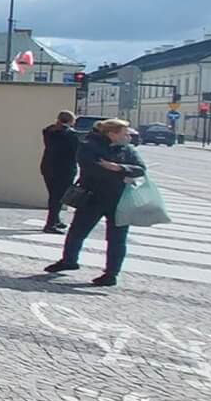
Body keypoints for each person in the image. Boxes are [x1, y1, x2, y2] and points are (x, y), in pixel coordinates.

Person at [46, 118, 146, 286]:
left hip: (120, 200)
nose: (129, 137)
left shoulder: (128, 150)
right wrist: (122, 173)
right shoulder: (90, 145)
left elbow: (141, 169)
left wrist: (119, 168)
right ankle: (69, 260)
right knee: (77, 231)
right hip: (93, 197)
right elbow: (92, 169)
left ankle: (111, 274)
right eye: (125, 133)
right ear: (112, 134)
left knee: (117, 238)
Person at [39, 111, 80, 234]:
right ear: (71, 121)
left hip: (47, 167)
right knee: (58, 197)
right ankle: (50, 224)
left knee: (53, 195)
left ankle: (55, 220)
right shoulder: (71, 135)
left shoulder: (48, 131)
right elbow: (76, 153)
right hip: (64, 169)